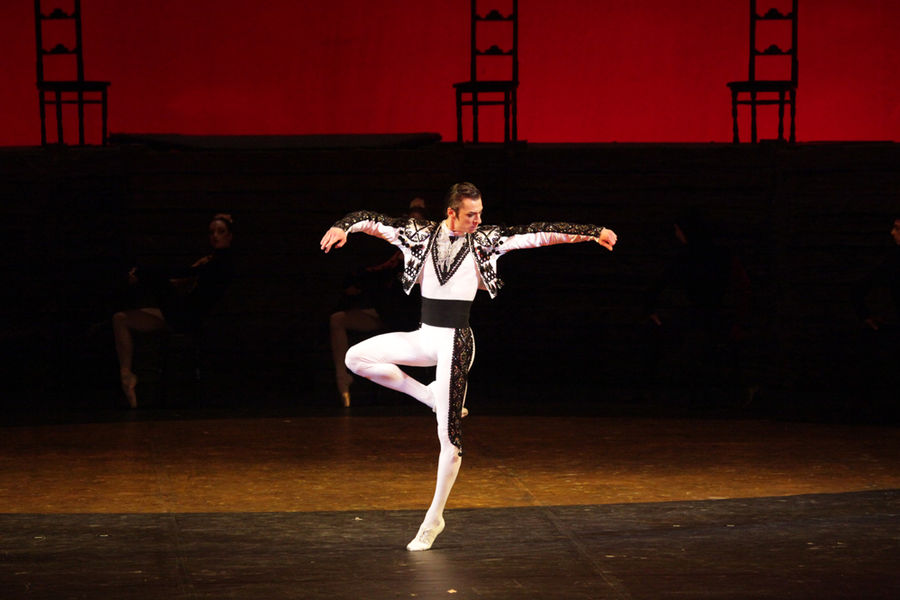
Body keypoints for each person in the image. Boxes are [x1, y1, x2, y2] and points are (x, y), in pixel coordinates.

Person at [319, 182, 617, 551]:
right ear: (452, 214)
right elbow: (372, 220)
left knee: (450, 440)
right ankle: (427, 396)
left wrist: (591, 233)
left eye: (480, 213)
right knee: (356, 357)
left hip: (456, 343)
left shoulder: (486, 240)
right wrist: (342, 226)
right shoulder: (418, 235)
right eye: (471, 214)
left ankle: (434, 518)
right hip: (426, 336)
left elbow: (536, 234)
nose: (479, 219)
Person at [113, 213, 235, 408]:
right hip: (179, 315)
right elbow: (182, 279)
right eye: (211, 232)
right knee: (120, 318)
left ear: (230, 236)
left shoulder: (222, 263)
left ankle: (138, 272)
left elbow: (183, 274)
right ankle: (127, 375)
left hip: (190, 318)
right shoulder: (209, 261)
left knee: (157, 279)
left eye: (221, 232)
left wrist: (143, 275)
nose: (215, 236)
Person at [329, 199, 426, 407]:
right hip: (385, 313)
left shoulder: (425, 250)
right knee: (338, 320)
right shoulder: (391, 249)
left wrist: (416, 209)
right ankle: (342, 379)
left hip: (410, 319)